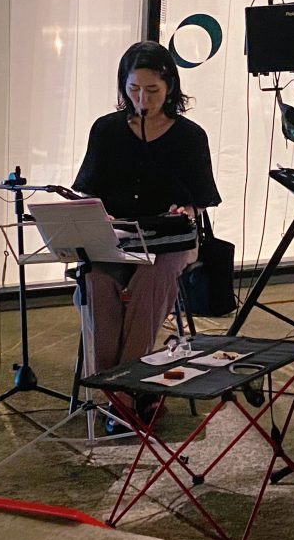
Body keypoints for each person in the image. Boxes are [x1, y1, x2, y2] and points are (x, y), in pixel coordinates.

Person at [72, 41, 221, 423]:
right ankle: (132, 389)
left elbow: (201, 200)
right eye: (134, 89)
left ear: (170, 87)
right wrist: (99, 216)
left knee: (150, 281)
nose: (142, 99)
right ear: (123, 86)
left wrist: (185, 210)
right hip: (116, 237)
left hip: (169, 241)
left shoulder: (190, 136)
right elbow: (87, 191)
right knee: (97, 283)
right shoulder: (106, 130)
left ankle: (120, 392)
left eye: (152, 90)